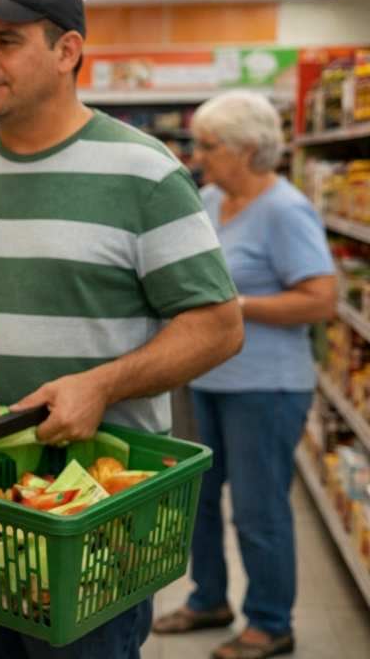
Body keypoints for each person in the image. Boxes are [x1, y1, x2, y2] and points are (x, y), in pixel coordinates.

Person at [0, 0, 245, 659]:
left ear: (68, 50)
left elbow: (218, 327)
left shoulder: (146, 173)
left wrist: (101, 384)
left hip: (98, 515)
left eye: (5, 42)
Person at [152, 91, 335, 659]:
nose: (199, 157)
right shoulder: (207, 200)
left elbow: (321, 300)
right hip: (204, 379)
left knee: (259, 509)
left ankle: (271, 621)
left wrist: (234, 306)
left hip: (266, 386)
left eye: (210, 146)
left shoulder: (286, 210)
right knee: (199, 502)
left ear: (249, 150)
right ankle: (209, 598)